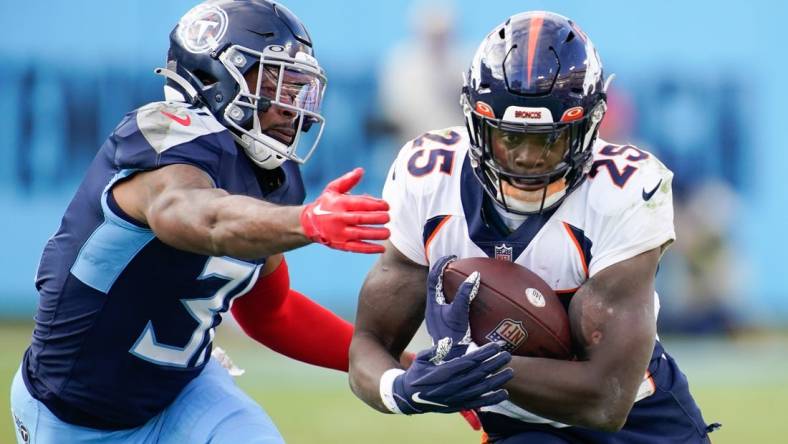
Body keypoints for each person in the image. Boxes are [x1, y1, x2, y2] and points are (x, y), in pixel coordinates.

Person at [9, 1, 392, 443]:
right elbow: (199, 216)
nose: (290, 107)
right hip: (72, 419)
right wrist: (306, 222)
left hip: (184, 393)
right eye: (274, 82)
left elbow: (273, 313)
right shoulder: (162, 138)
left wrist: (393, 362)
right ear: (215, 78)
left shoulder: (274, 178)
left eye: (297, 88)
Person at [348, 11, 719, 443]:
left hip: (640, 422)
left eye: (548, 139)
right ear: (476, 123)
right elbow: (370, 342)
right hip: (518, 425)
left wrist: (471, 365)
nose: (527, 157)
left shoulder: (625, 189)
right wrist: (401, 390)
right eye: (509, 137)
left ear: (589, 124)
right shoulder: (426, 177)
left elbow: (606, 399)